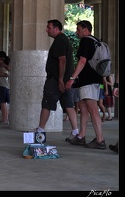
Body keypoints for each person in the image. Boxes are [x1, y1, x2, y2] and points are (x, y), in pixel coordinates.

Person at [35, 20, 79, 139]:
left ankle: (40, 131)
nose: (46, 30)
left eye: (49, 28)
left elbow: (62, 60)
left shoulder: (59, 41)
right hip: (63, 80)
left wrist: (60, 80)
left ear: (56, 28)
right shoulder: (63, 40)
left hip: (56, 80)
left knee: (47, 104)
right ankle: (76, 132)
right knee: (68, 105)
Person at [65, 20, 106, 149]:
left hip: (88, 80)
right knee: (83, 107)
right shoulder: (95, 41)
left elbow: (82, 61)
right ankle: (81, 136)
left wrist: (72, 78)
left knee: (92, 109)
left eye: (78, 29)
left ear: (85, 29)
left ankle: (100, 140)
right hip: (93, 79)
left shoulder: (86, 41)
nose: (76, 32)